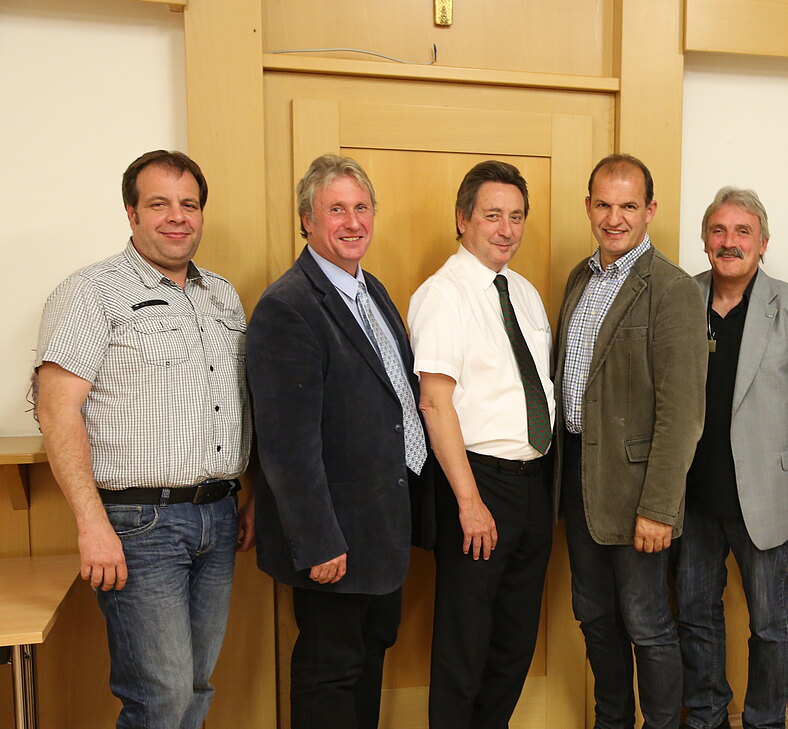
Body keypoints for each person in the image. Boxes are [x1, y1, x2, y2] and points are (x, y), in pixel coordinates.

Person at [34, 149, 253, 728]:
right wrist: (91, 524)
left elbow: (239, 402)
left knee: (196, 688)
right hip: (138, 524)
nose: (177, 216)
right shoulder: (91, 292)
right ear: (131, 213)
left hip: (220, 516)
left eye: (189, 204)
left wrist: (248, 492)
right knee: (160, 697)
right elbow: (57, 411)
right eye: (159, 204)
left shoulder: (223, 296)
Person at [246, 154, 431, 729]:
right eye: (336, 210)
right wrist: (318, 541)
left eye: (361, 208)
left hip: (381, 525)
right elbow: (286, 447)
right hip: (335, 537)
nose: (353, 222)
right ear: (307, 220)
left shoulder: (371, 290)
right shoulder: (288, 307)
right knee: (330, 672)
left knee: (369, 656)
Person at [553, 154, 708, 729]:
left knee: (647, 625)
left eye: (628, 205)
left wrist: (660, 507)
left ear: (650, 210)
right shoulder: (580, 278)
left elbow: (682, 414)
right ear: (588, 206)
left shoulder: (671, 290)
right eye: (603, 204)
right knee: (595, 618)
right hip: (579, 481)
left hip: (639, 491)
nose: (614, 217)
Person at [677, 186, 788, 729]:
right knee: (695, 616)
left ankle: (765, 721)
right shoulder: (681, 299)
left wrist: (783, 472)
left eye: (742, 232)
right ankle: (706, 716)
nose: (730, 242)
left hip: (763, 500)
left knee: (770, 624)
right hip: (691, 499)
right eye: (718, 231)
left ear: (763, 242)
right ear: (704, 240)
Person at [408, 160, 555, 728]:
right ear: (462, 219)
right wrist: (469, 502)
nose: (506, 229)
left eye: (516, 216)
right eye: (493, 215)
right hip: (477, 483)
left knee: (515, 641)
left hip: (533, 485)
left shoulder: (525, 293)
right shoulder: (443, 295)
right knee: (465, 643)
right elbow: (434, 403)